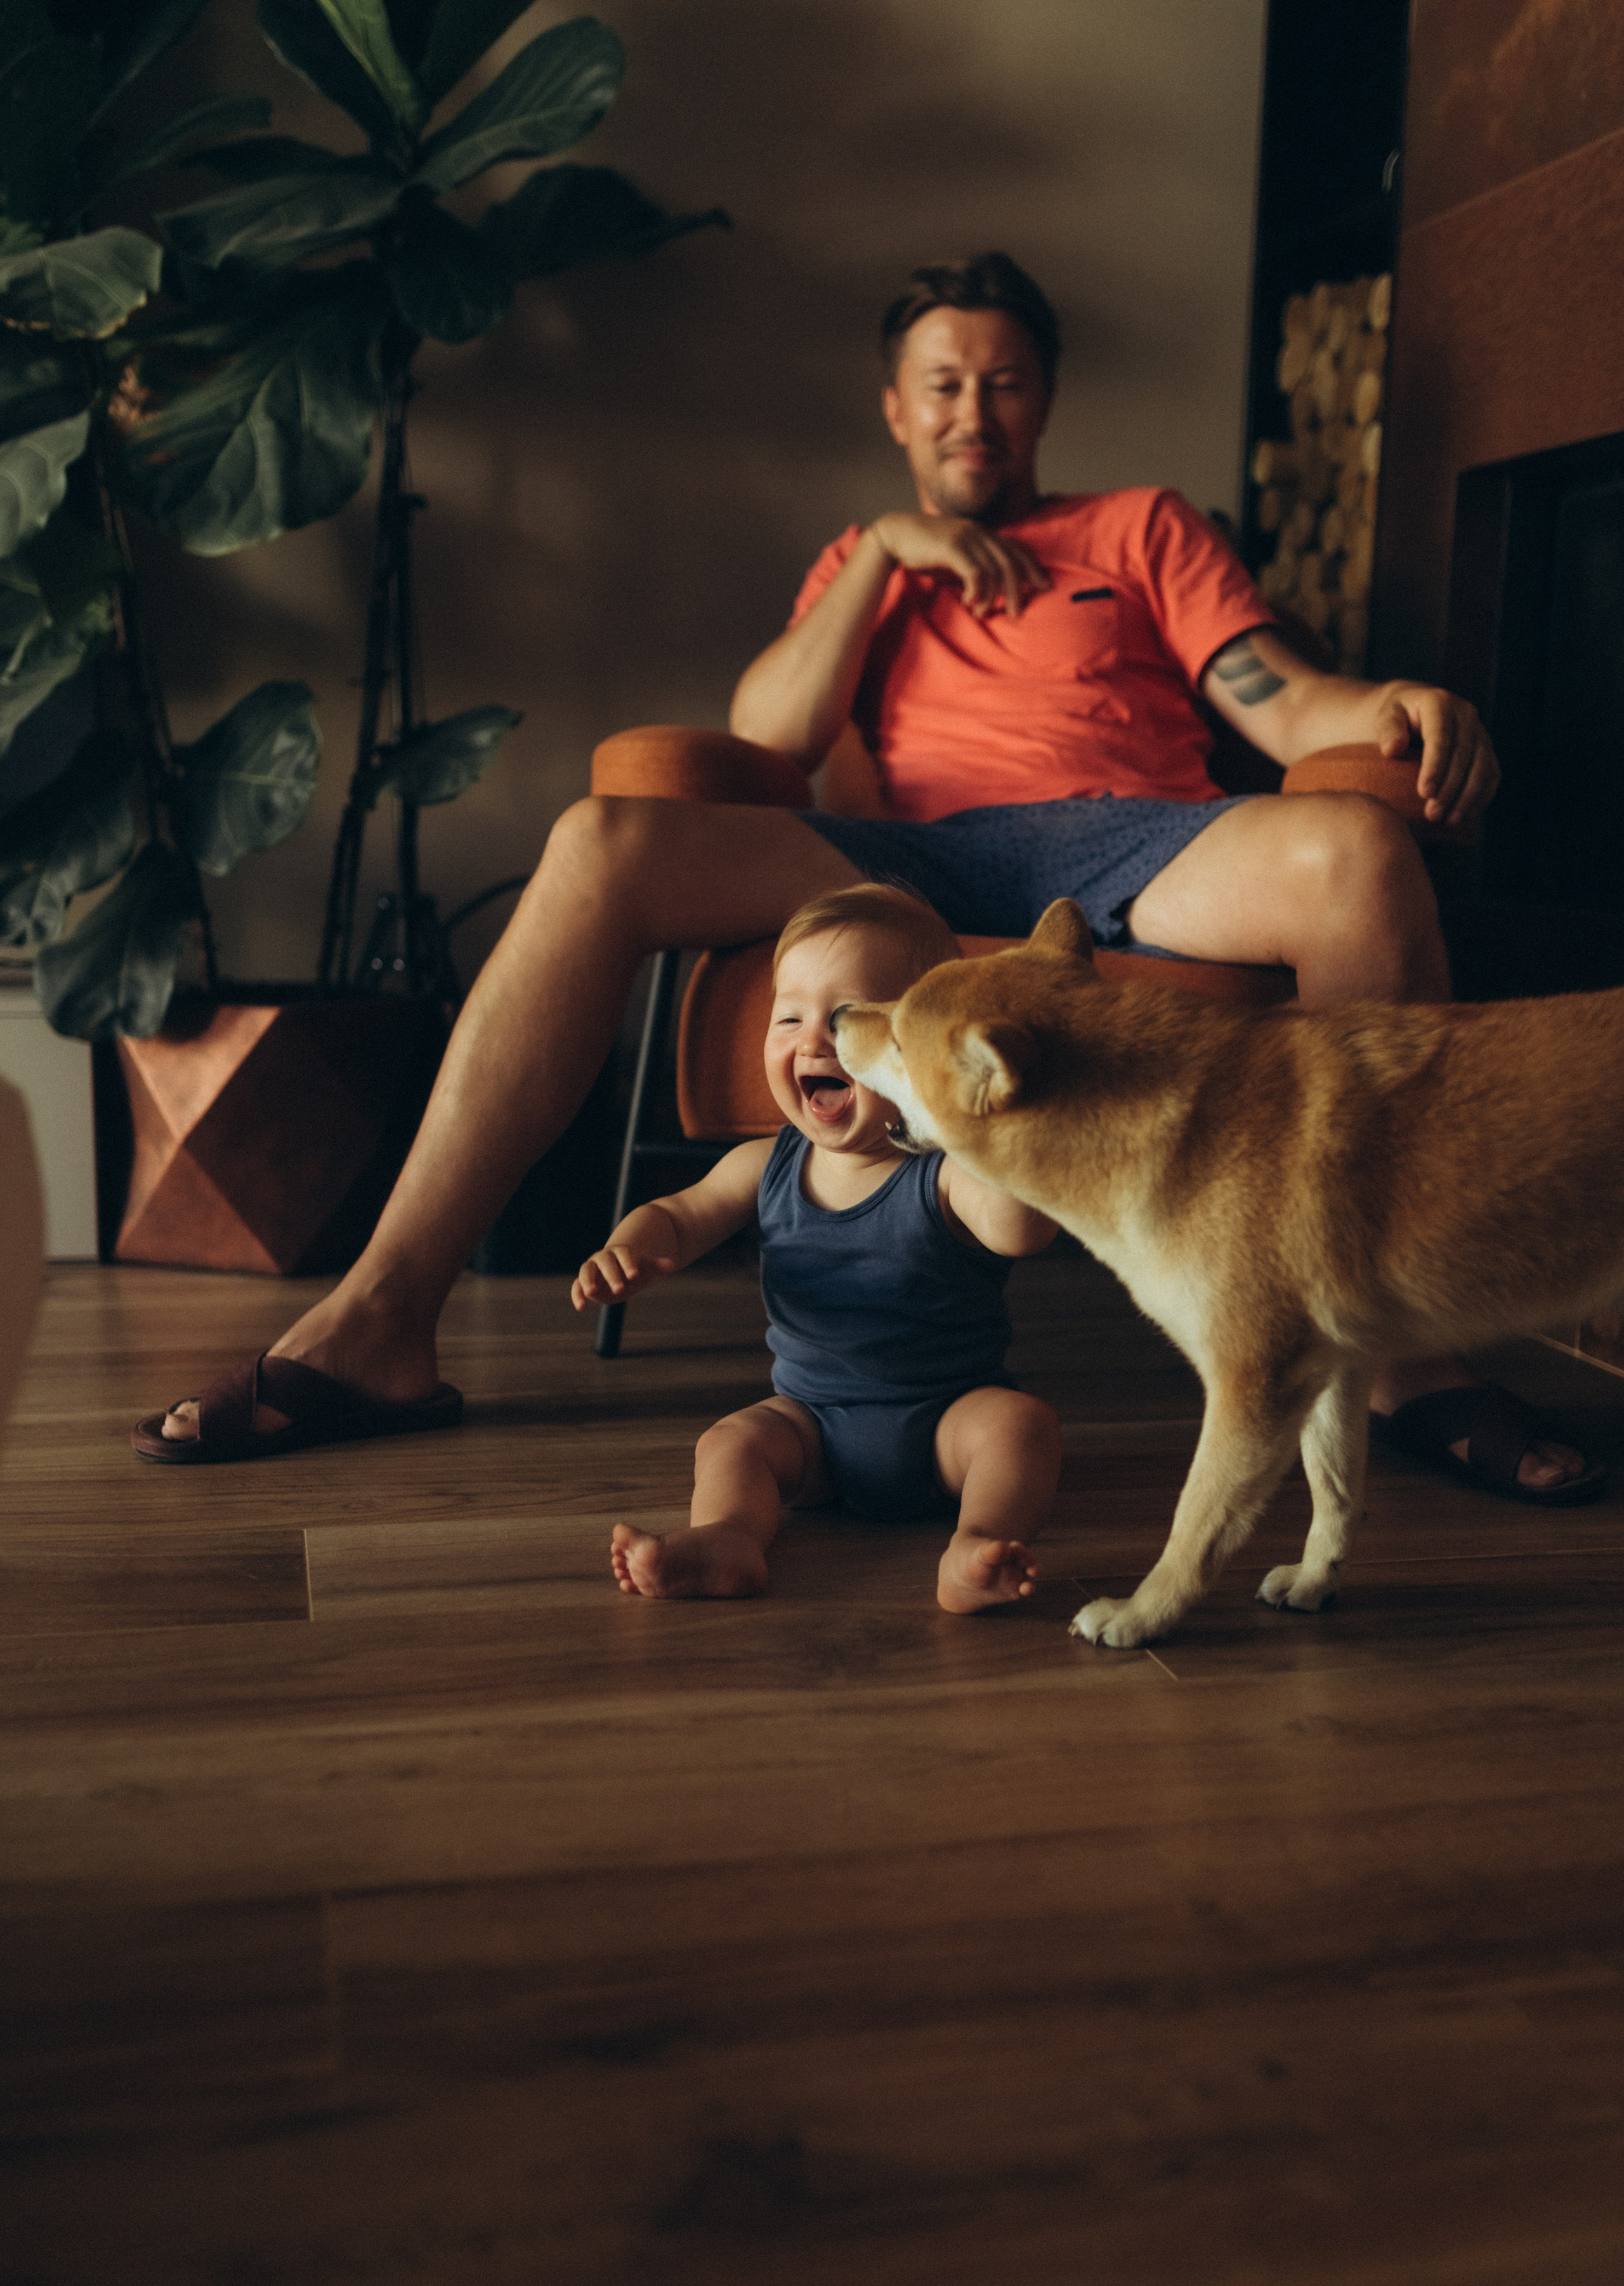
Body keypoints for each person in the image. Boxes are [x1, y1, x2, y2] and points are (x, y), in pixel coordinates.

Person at [133, 250, 1594, 1503]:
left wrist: (1387, 703)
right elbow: (767, 739)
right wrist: (882, 556)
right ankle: (384, 1317)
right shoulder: (862, 561)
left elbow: (1280, 701)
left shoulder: (1139, 527)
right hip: (904, 855)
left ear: (1044, 399)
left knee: (1353, 842)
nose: (974, 409)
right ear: (896, 409)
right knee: (594, 839)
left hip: (1123, 834)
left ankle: (1401, 1350)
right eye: (942, 383)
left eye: (1004, 380)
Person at [574, 884, 1061, 1609]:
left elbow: (1021, 1229)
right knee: (730, 1443)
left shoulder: (948, 1174)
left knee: (1021, 1427)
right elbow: (678, 1214)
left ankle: (975, 1545)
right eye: (790, 1017)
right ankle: (729, 1538)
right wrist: (630, 1247)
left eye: (845, 1019)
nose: (812, 1041)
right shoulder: (764, 1164)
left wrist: (997, 1128)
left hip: (946, 1421)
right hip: (810, 1425)